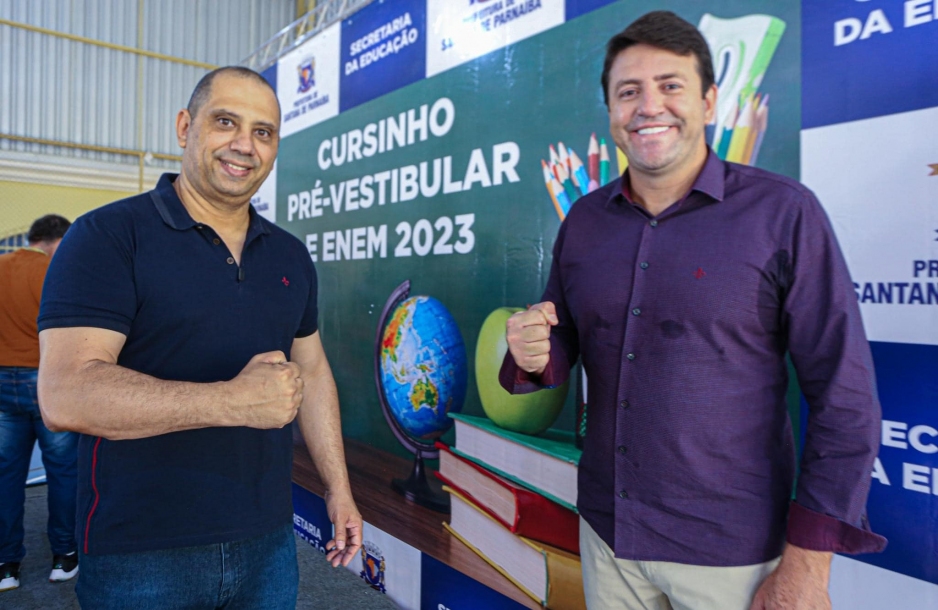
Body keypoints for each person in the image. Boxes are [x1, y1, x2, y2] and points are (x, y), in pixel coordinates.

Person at [501, 11, 885, 610]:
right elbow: (564, 336)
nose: (648, 106)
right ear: (611, 112)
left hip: (733, 557)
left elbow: (846, 397)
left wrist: (808, 567)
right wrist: (532, 353)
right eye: (629, 91)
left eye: (670, 85)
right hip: (607, 537)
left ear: (709, 101)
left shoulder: (784, 214)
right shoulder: (584, 221)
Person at [36, 66, 362, 609]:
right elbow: (65, 393)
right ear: (185, 127)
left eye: (263, 132)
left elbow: (312, 368)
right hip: (140, 552)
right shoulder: (108, 235)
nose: (244, 145)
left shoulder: (289, 254)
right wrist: (230, 401)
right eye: (226, 122)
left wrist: (338, 487)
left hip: (267, 543)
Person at [0, 214, 77, 592]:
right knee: (63, 471)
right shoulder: (57, 272)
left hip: (1, 381)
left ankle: (6, 565)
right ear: (58, 241)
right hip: (47, 382)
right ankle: (64, 556)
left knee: (5, 474)